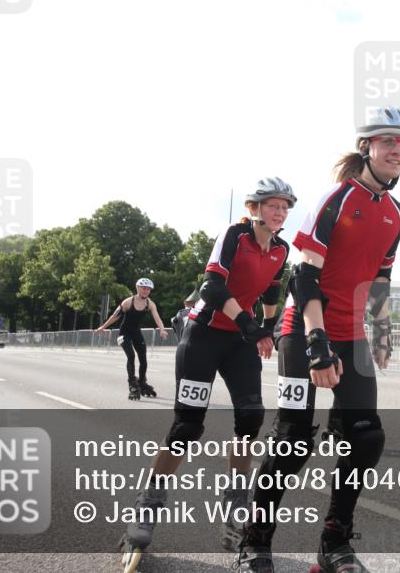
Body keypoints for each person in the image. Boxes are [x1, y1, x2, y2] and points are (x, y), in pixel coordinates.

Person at [237, 106, 400, 573]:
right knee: (293, 440)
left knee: (365, 437)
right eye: (388, 141)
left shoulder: (396, 212)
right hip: (303, 331)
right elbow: (303, 278)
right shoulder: (336, 200)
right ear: (367, 148)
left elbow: (380, 280)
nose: (398, 149)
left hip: (352, 335)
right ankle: (256, 541)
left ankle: (333, 543)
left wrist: (383, 331)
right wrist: (317, 343)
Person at [119, 178, 296, 572]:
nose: (280, 212)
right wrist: (249, 326)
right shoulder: (234, 235)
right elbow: (212, 286)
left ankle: (235, 497)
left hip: (240, 342)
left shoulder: (282, 249)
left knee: (251, 416)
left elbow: (269, 294)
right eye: (272, 205)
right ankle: (149, 502)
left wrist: (265, 330)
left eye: (285, 207)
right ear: (254, 208)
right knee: (187, 427)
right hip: (204, 337)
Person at [96, 277, 168, 400]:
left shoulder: (150, 304)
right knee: (131, 356)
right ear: (138, 288)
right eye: (144, 288)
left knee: (143, 359)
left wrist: (162, 329)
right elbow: (115, 316)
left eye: (148, 289)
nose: (146, 291)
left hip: (136, 333)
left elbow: (157, 317)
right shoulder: (128, 302)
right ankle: (132, 384)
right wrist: (102, 327)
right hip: (124, 334)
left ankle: (142, 382)